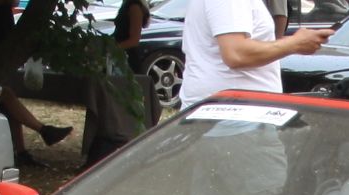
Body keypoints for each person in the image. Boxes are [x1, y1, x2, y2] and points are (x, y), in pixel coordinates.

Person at [0, 0, 71, 167]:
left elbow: (14, 1)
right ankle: (41, 133)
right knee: (3, 94)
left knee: (8, 95)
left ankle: (25, 149)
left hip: (2, 32)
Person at [180, 0, 330, 107]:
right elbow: (236, 54)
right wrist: (295, 43)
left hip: (232, 114)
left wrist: (292, 42)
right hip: (233, 117)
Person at [82, 0, 153, 165]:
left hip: (125, 61)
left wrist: (111, 48)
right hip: (117, 59)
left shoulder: (134, 7)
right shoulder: (128, 5)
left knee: (124, 103)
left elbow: (134, 39)